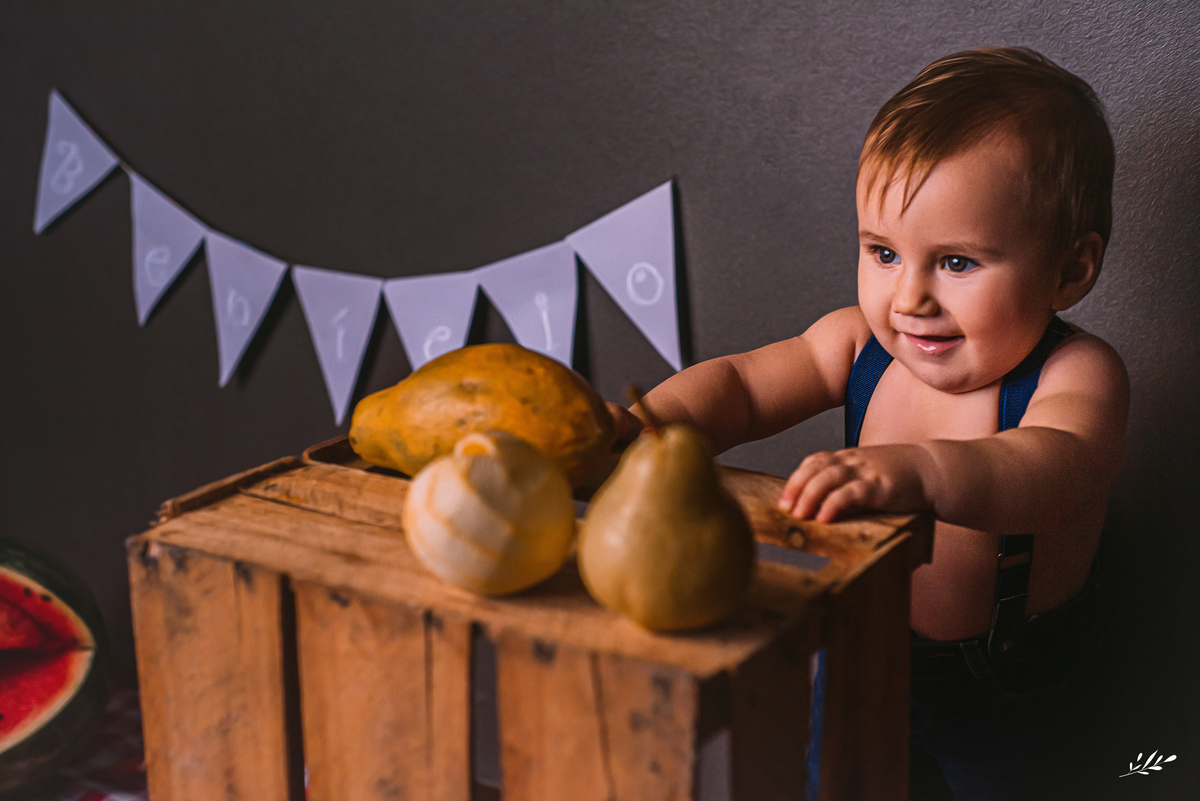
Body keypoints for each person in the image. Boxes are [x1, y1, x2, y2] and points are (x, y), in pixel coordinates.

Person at [608, 47, 1127, 800]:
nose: (908, 296)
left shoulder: (1076, 374)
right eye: (883, 252)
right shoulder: (857, 341)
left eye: (955, 262)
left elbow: (1052, 468)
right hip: (860, 651)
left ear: (1069, 270)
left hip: (1005, 690)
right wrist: (647, 428)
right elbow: (742, 385)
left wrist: (921, 468)